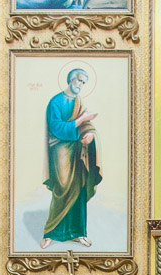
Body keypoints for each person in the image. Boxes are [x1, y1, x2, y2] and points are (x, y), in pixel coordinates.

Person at [40, 68, 101, 250]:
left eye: (83, 82)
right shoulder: (56, 102)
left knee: (79, 190)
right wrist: (81, 119)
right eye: (79, 81)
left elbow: (87, 125)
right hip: (60, 151)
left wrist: (90, 134)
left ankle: (79, 233)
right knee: (62, 189)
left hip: (78, 152)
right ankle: (51, 233)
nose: (81, 85)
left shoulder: (79, 102)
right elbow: (57, 128)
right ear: (70, 79)